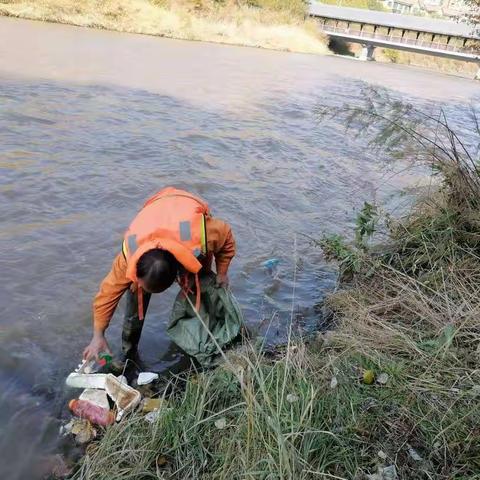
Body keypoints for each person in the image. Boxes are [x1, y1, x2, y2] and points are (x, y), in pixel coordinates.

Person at [83, 187, 236, 361]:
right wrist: (98, 335)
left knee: (200, 280)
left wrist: (222, 273)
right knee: (134, 293)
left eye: (142, 284)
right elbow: (106, 294)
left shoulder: (200, 236)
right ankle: (129, 353)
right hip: (156, 209)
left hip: (184, 210)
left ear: (175, 276)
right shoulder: (129, 255)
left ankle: (201, 337)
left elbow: (226, 238)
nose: (139, 285)